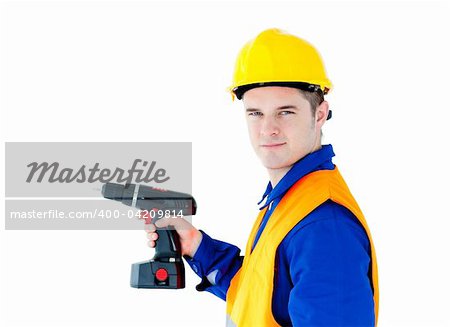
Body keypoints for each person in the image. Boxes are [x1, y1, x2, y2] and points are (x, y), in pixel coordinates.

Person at [146, 28, 379, 327]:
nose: (268, 129)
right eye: (255, 113)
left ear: (319, 114)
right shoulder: (291, 200)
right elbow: (259, 296)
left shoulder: (323, 226)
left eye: (285, 112)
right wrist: (196, 245)